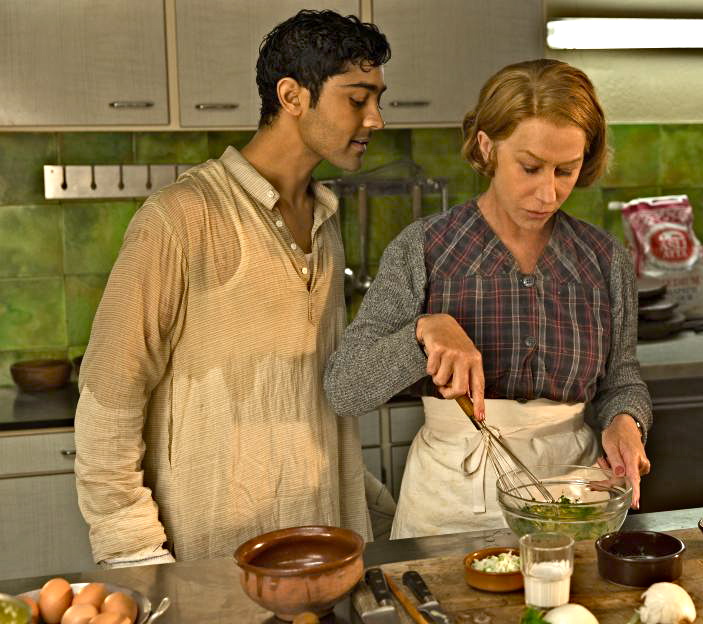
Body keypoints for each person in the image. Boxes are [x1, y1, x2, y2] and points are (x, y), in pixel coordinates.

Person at [74, 10, 390, 566]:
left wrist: (373, 508)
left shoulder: (326, 220)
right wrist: (135, 552)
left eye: (378, 99)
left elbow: (309, 395)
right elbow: (109, 396)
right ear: (292, 96)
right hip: (213, 557)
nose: (376, 119)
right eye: (358, 99)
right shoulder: (180, 217)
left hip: (322, 546)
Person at [324, 59, 652, 539]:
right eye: (530, 167)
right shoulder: (424, 249)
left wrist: (625, 421)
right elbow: (346, 389)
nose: (548, 193)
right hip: (448, 506)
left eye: (566, 170)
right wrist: (423, 333)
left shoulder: (605, 260)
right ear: (486, 146)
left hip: (573, 497)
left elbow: (621, 379)